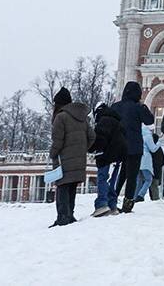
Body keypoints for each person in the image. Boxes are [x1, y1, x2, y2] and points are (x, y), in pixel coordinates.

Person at [49, 87, 95, 227]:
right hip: (78, 160)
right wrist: (81, 150)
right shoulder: (82, 117)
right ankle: (69, 214)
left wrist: (53, 153)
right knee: (72, 187)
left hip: (64, 160)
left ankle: (63, 217)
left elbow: (58, 141)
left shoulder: (60, 117)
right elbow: (92, 136)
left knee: (62, 187)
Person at [109, 81, 154, 213]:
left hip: (119, 145)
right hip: (134, 146)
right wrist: (144, 107)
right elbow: (149, 121)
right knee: (131, 175)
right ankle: (128, 202)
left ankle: (113, 197)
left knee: (120, 173)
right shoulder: (137, 107)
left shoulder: (115, 106)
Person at [91, 102, 126, 217]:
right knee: (112, 182)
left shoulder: (104, 121)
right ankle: (112, 205)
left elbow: (100, 139)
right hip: (118, 157)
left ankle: (102, 204)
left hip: (106, 156)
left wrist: (92, 148)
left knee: (103, 179)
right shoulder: (118, 122)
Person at [135, 124, 160, 202]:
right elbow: (153, 149)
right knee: (148, 179)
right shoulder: (148, 136)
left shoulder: (139, 134)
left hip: (138, 158)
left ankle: (135, 196)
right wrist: (159, 143)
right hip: (146, 159)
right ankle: (140, 195)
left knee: (139, 180)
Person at [150, 132, 164, 201]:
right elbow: (163, 161)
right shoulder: (160, 149)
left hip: (151, 169)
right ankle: (155, 199)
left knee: (151, 185)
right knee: (154, 185)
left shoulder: (151, 149)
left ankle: (155, 199)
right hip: (157, 170)